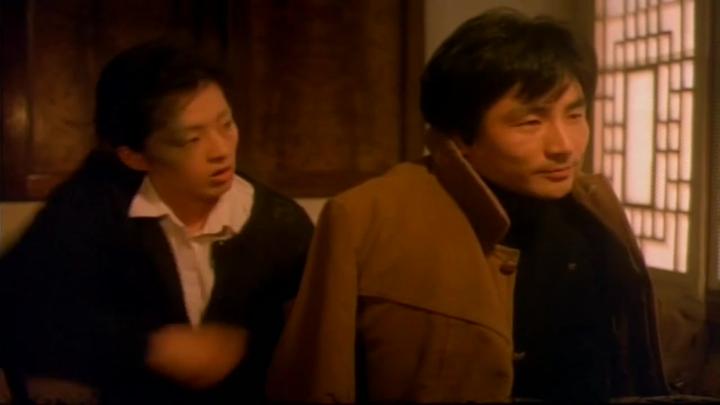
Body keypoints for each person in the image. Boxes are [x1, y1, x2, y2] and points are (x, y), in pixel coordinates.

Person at [267, 8, 668, 403]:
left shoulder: (595, 210)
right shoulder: (365, 218)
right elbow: (315, 383)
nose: (564, 146)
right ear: (460, 136)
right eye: (531, 122)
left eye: (575, 115)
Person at [0, 41, 313, 404]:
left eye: (226, 124)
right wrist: (150, 347)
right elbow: (15, 317)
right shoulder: (93, 207)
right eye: (191, 139)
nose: (220, 150)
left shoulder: (280, 225)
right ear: (135, 157)